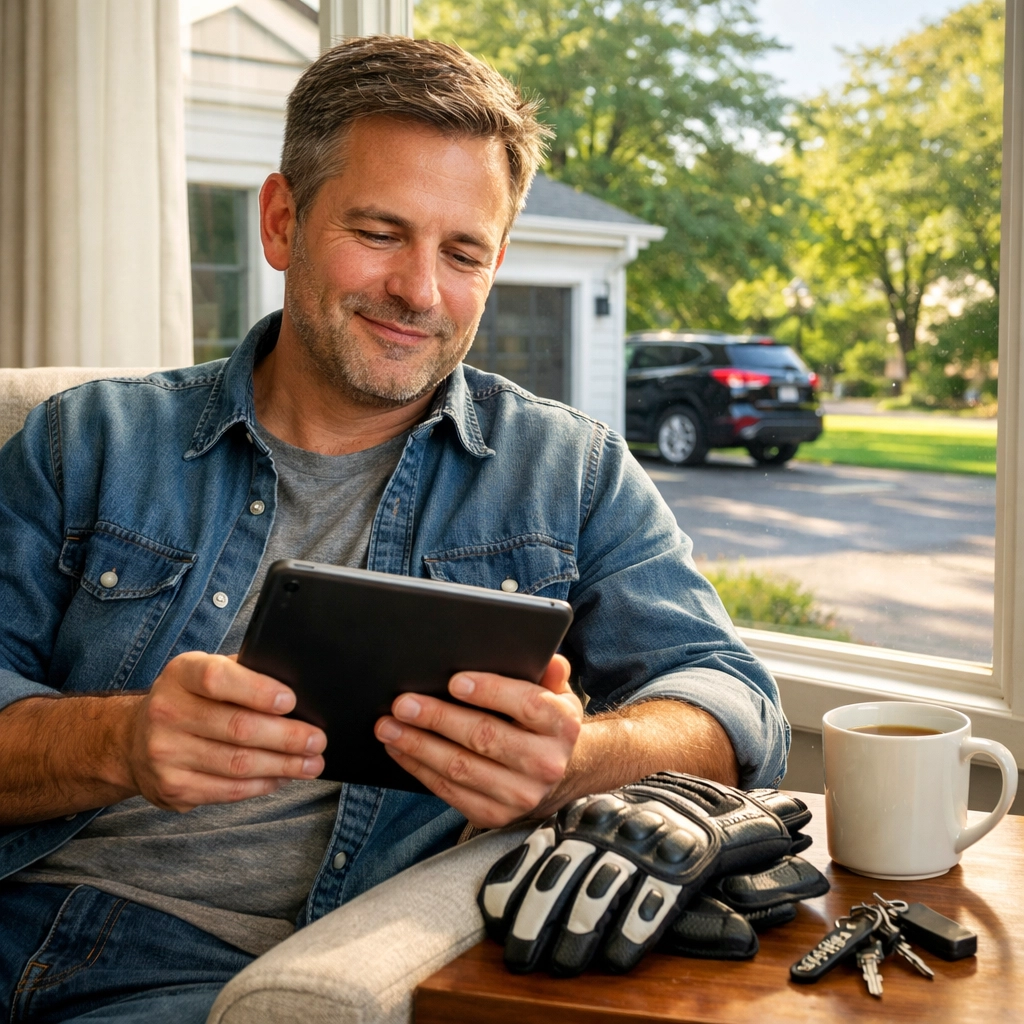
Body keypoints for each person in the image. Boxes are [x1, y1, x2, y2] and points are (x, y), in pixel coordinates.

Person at [0, 36, 789, 1022]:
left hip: (211, 981)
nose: (420, 290)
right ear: (283, 221)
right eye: (379, 232)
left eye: (463, 253)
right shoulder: (88, 441)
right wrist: (120, 740)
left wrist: (575, 758)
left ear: (495, 264)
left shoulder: (568, 473)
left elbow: (732, 701)